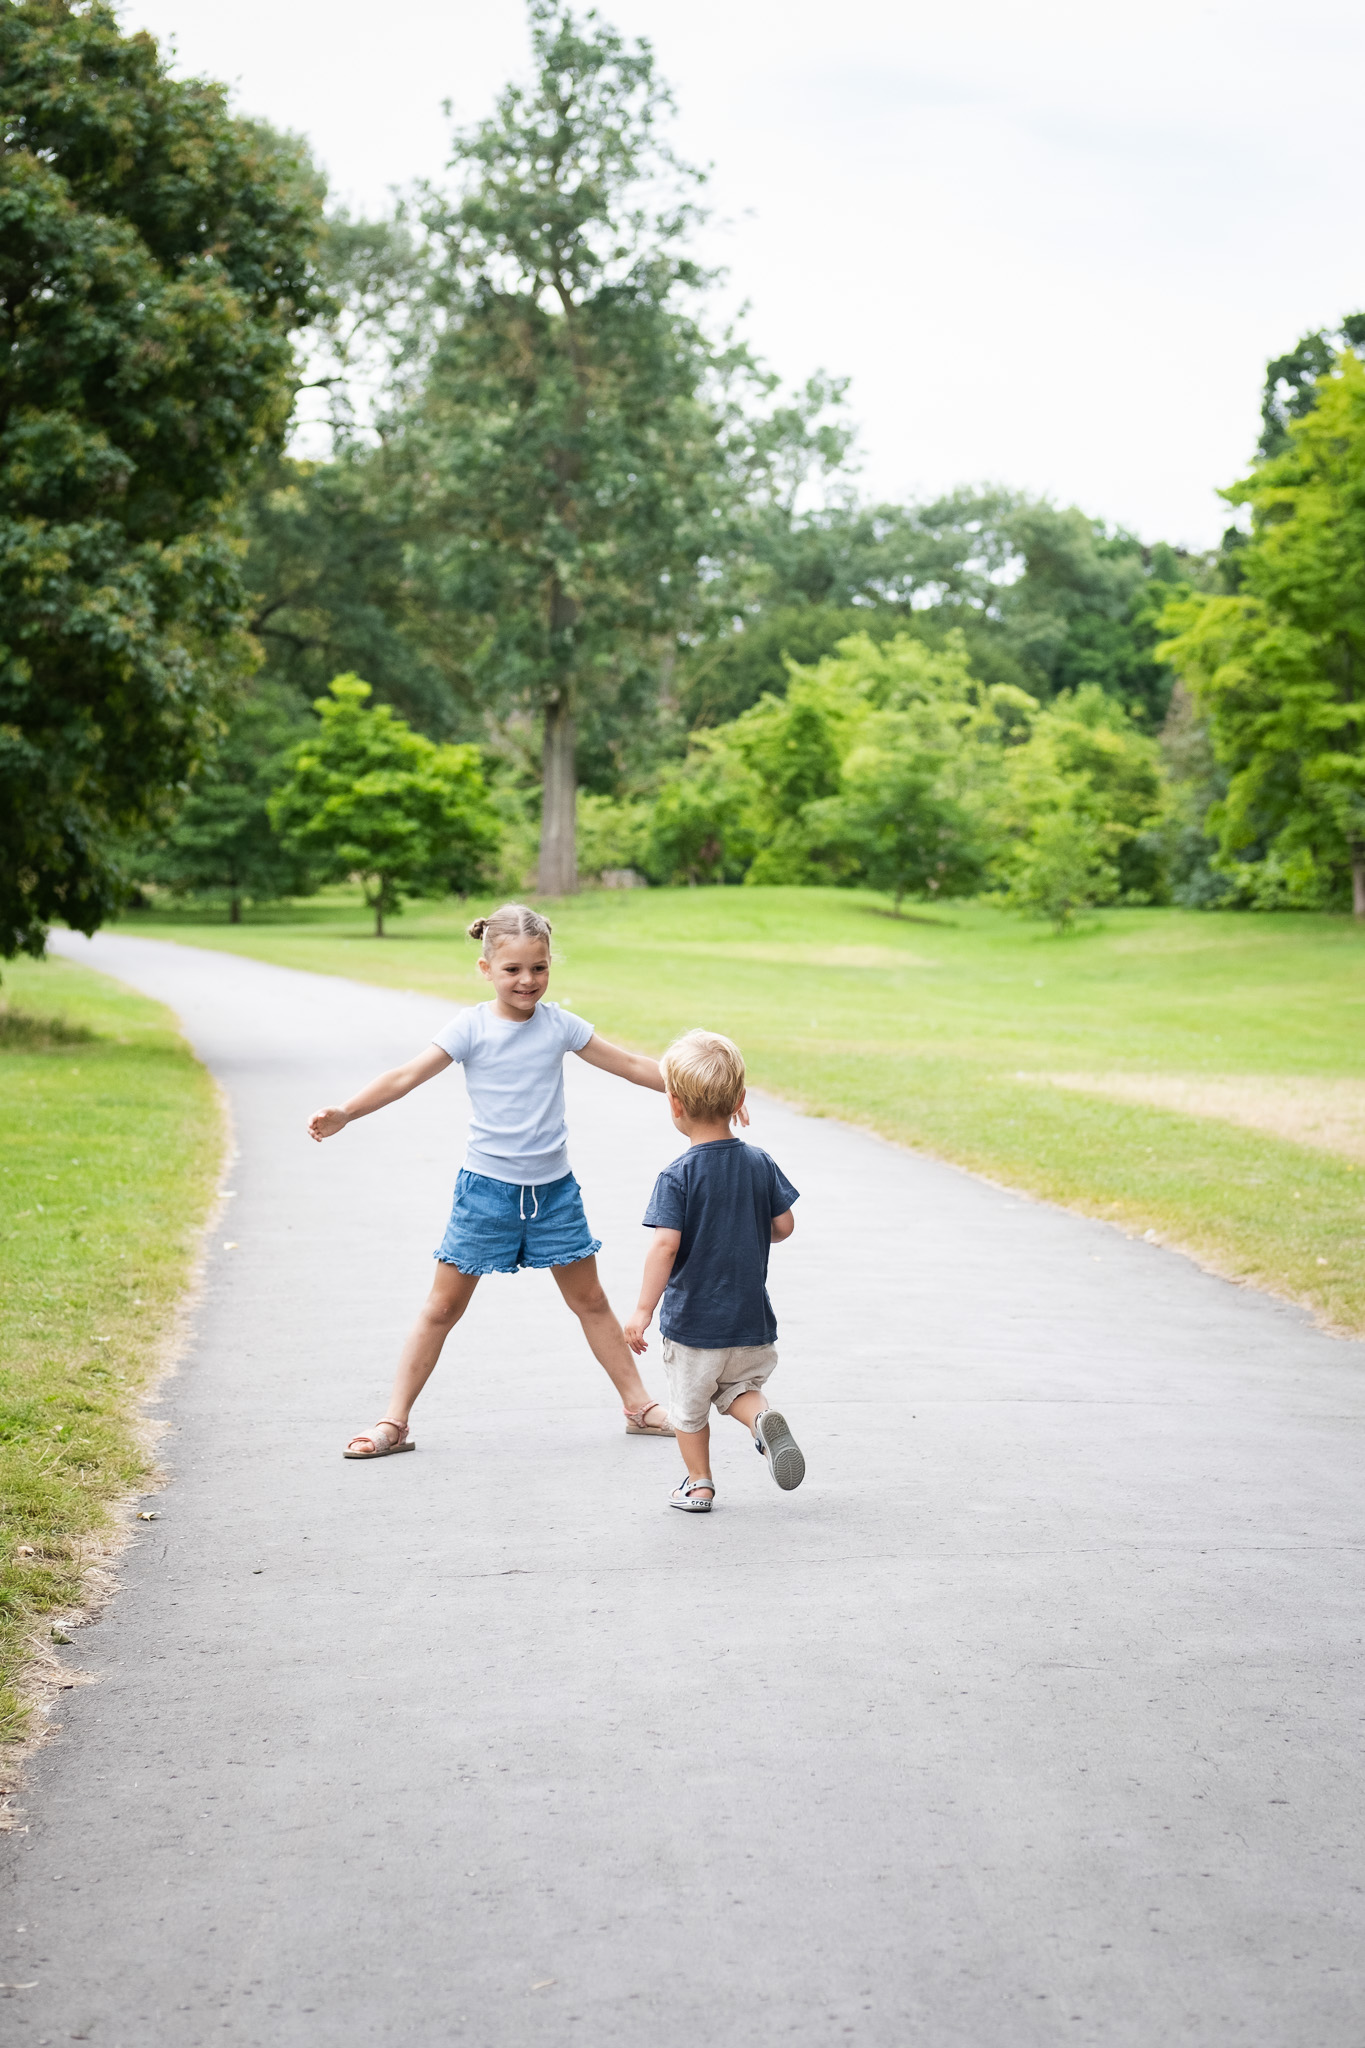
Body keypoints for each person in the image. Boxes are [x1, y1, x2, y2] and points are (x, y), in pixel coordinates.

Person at [308, 902, 675, 1457]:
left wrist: (703, 1087)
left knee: (592, 1302)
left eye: (540, 968)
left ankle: (639, 1407)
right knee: (442, 1308)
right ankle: (393, 1422)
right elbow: (405, 1076)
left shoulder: (561, 1026)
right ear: (486, 969)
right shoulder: (471, 1027)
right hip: (486, 1194)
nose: (528, 981)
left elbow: (630, 1065)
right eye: (513, 970)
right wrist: (346, 1112)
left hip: (554, 1195)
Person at [624, 1028, 804, 1513]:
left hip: (694, 1328)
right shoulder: (759, 1163)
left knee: (689, 1410)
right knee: (739, 1390)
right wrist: (746, 1228)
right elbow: (783, 1225)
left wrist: (642, 1311)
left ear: (674, 1104)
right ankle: (762, 1421)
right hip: (749, 1322)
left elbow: (664, 1247)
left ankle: (699, 1484)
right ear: (740, 1099)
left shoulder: (677, 1176)